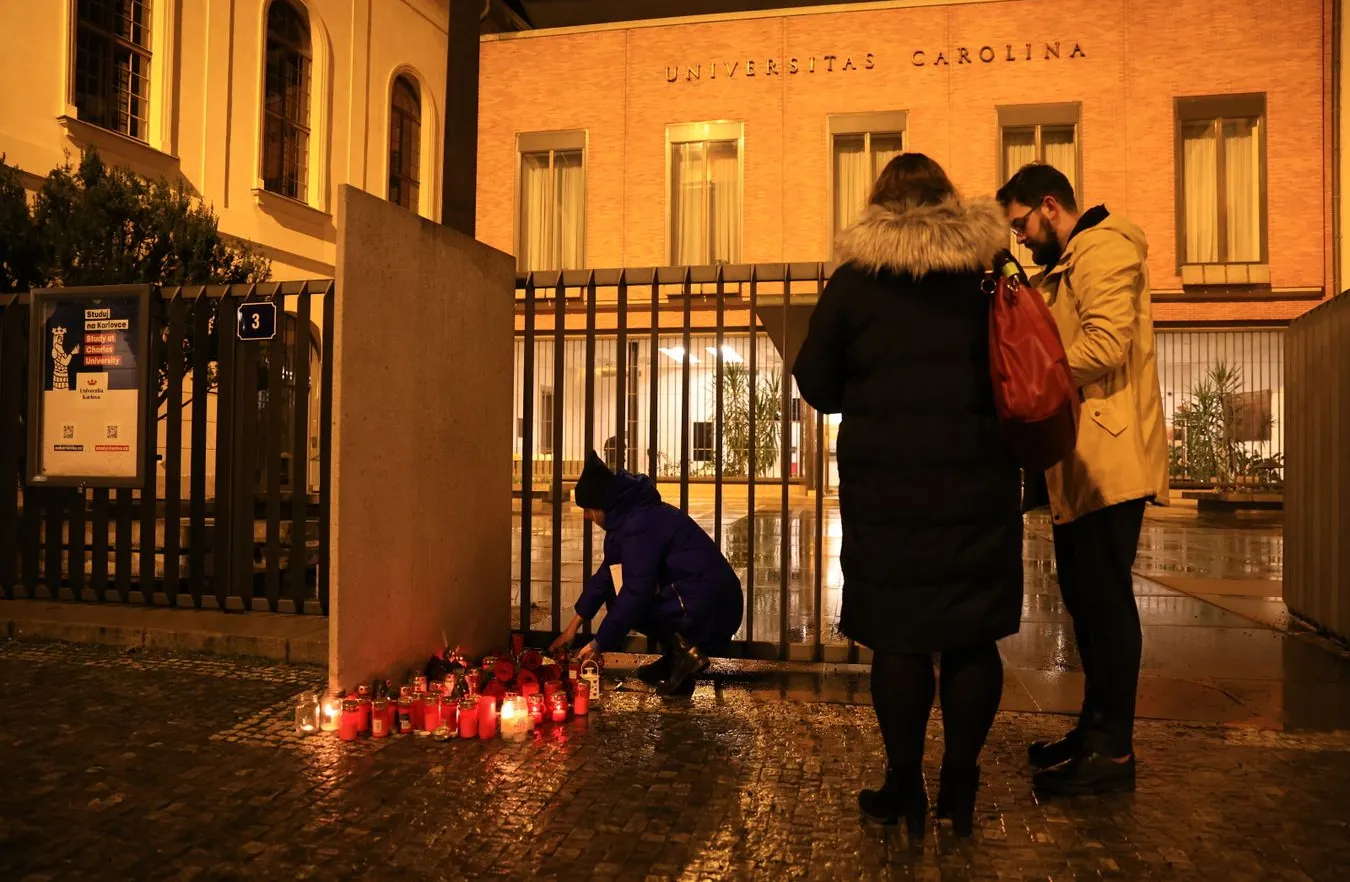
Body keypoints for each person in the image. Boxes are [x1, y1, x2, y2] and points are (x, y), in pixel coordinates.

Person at [792, 154, 1023, 837]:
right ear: (948, 203)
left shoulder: (855, 284)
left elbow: (817, 383)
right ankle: (961, 783)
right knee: (971, 637)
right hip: (978, 484)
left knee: (899, 640)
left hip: (887, 491)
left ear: (879, 206)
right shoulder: (984, 278)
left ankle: (905, 786)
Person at [996, 163, 1168, 795]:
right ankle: (1094, 730)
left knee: (1106, 605)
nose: (1020, 238)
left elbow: (1104, 344)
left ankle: (1113, 751)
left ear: (1049, 205)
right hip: (1082, 461)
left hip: (1110, 461)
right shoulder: (1069, 260)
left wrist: (1033, 380)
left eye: (1022, 225)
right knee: (1086, 604)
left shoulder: (1105, 249)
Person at [549, 450, 744, 696]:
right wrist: (571, 628)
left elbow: (635, 593)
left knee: (629, 603)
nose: (587, 517)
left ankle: (686, 657)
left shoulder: (639, 524)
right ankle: (675, 657)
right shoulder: (629, 518)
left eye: (588, 509)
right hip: (702, 600)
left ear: (602, 505)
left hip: (714, 609)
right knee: (619, 599)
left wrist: (598, 645)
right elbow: (606, 576)